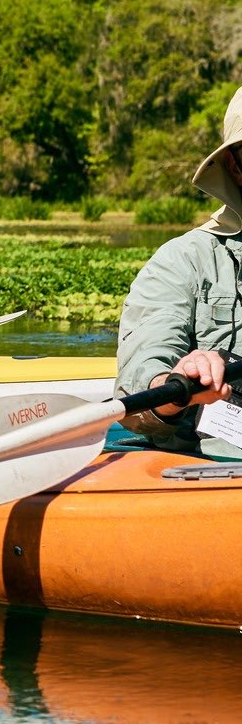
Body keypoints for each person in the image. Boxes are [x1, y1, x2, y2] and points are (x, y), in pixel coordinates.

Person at [116, 86, 242, 453]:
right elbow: (140, 386)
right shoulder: (183, 261)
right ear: (234, 165)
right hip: (220, 463)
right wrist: (176, 383)